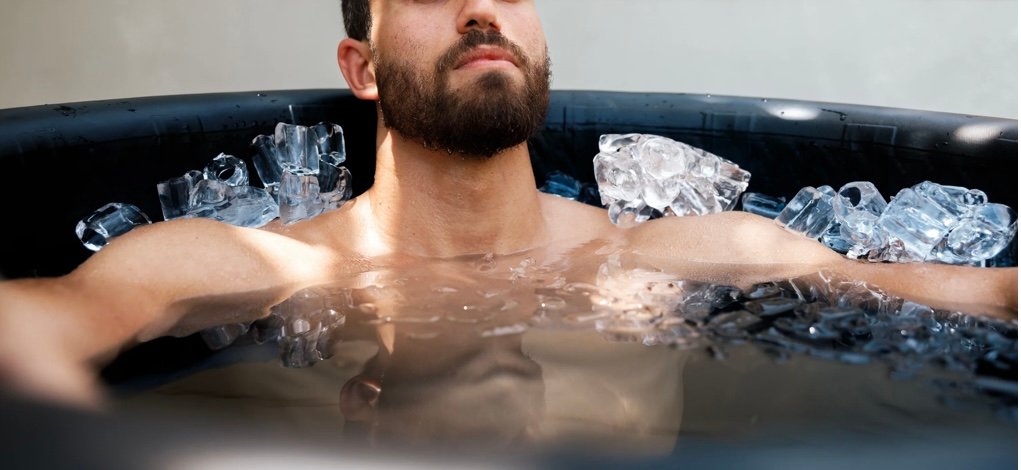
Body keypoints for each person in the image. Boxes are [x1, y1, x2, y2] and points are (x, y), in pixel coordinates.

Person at [0, 0, 1015, 409]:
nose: (483, 6)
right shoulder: (248, 267)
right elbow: (45, 321)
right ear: (360, 66)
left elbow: (976, 295)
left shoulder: (695, 249)